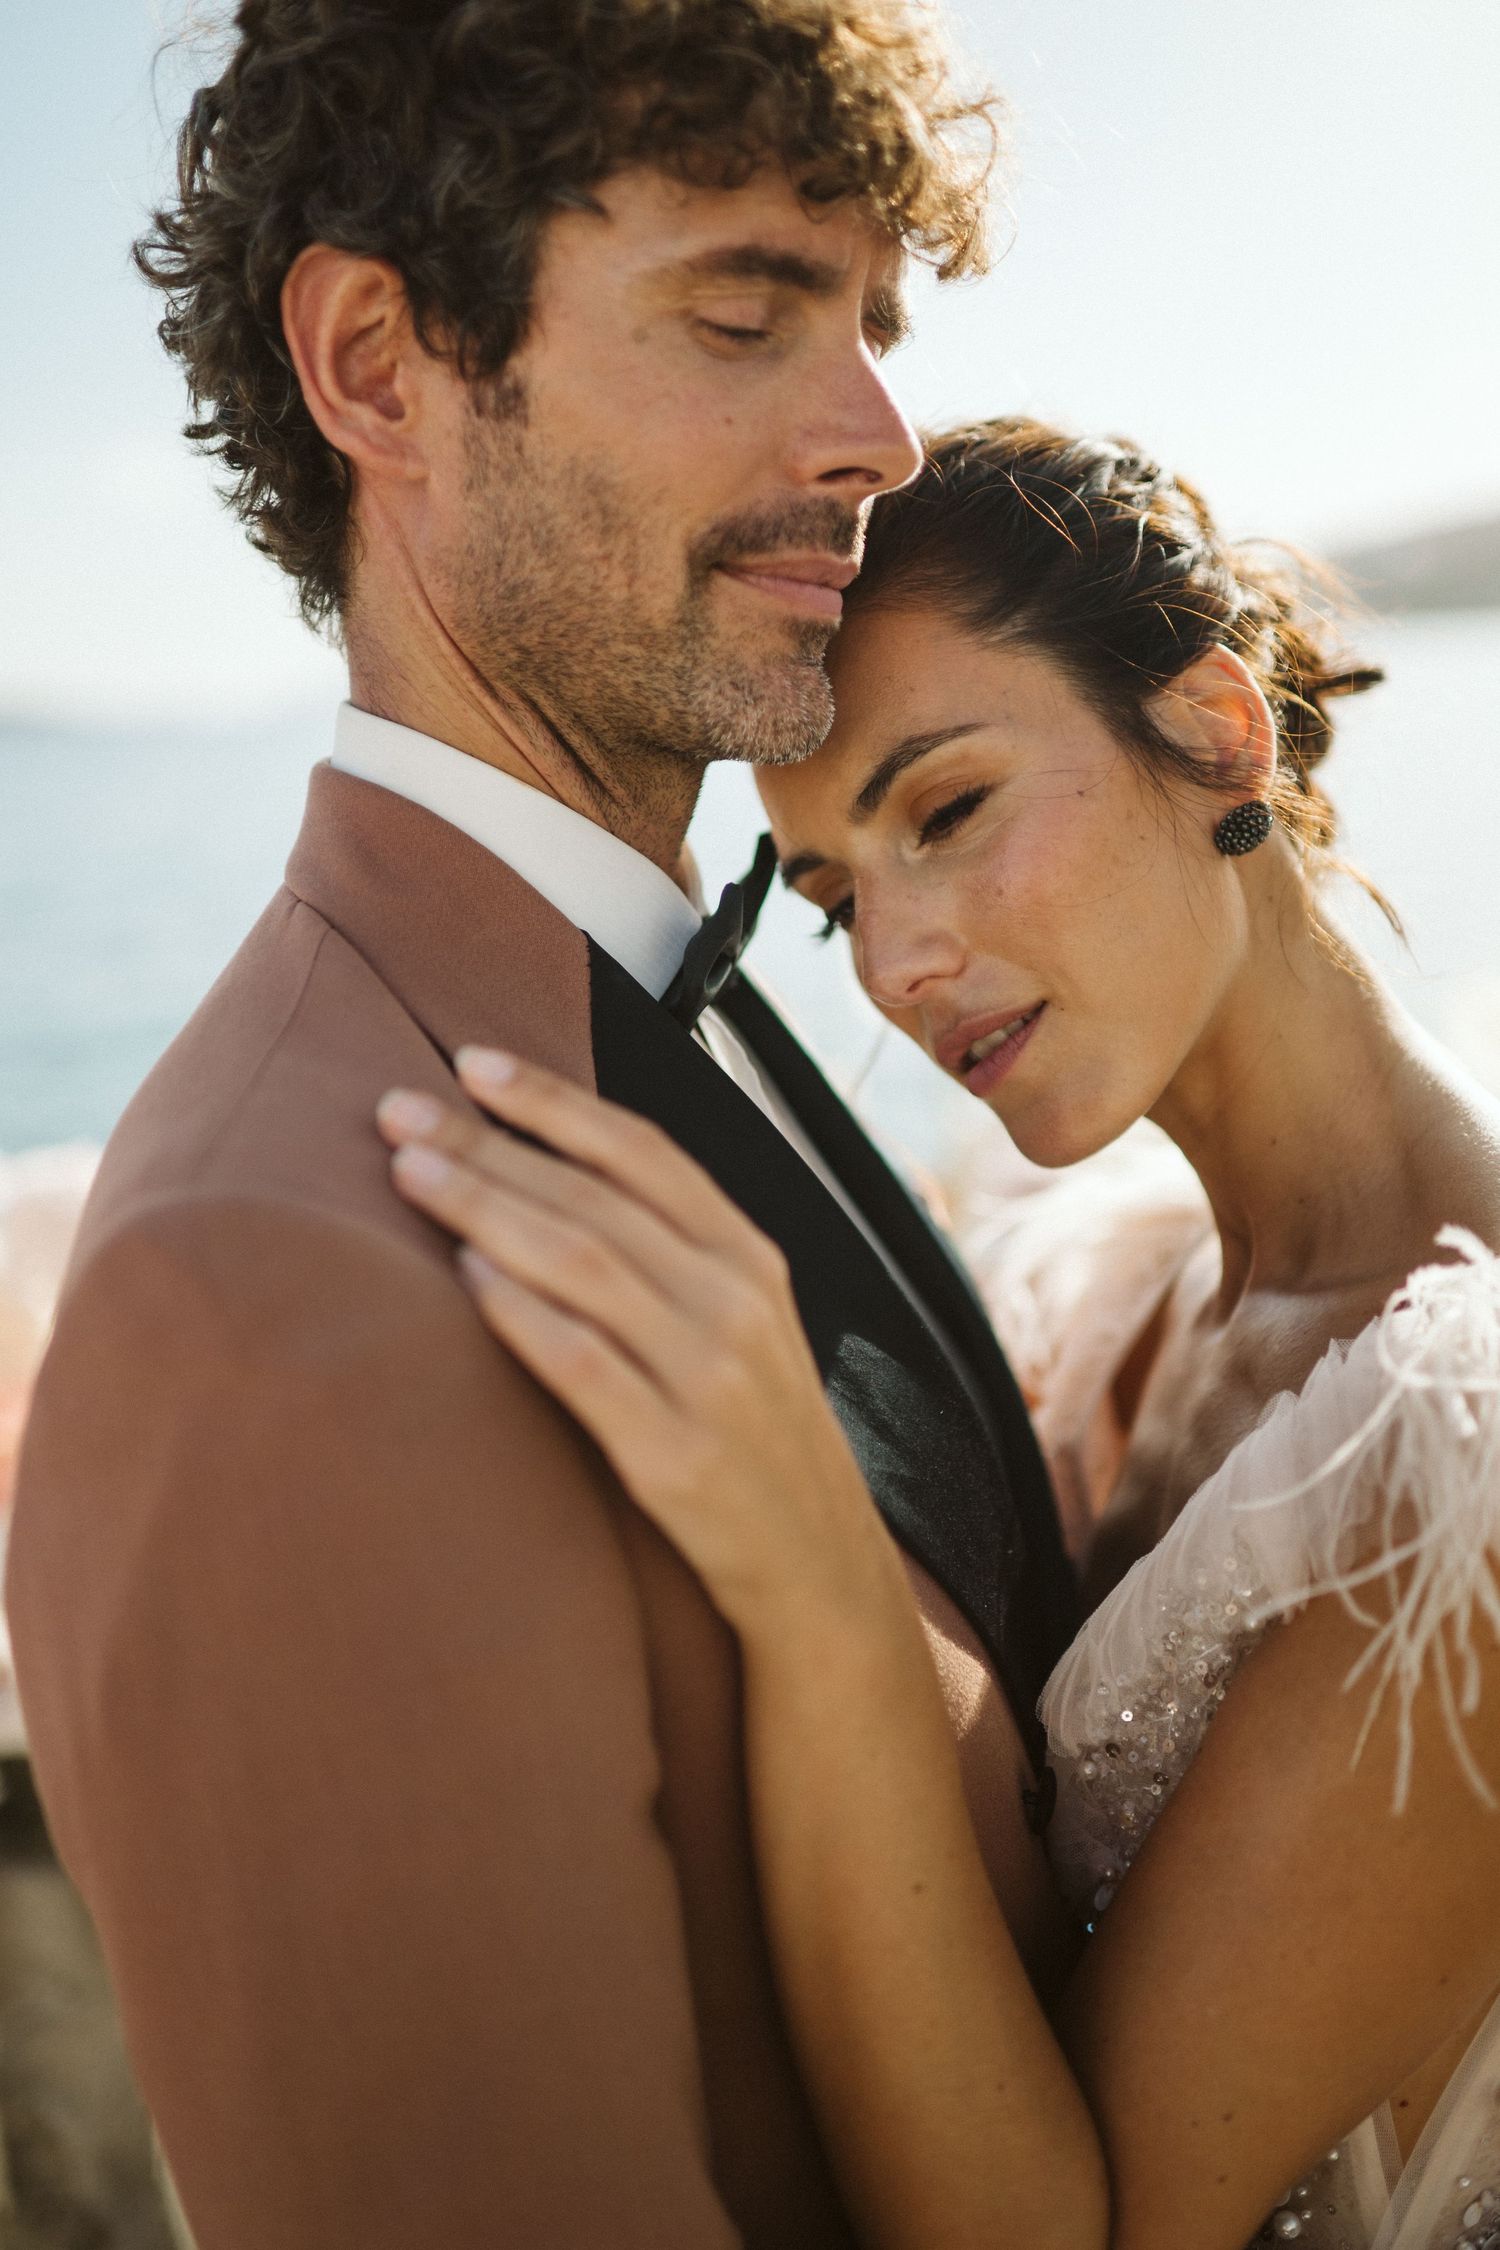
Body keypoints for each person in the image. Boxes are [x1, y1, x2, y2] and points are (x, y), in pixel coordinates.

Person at [4, 10, 1079, 2248]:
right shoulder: (258, 1299)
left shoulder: (686, 990)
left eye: (875, 324)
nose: (880, 434)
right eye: (745, 315)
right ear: (379, 366)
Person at [377, 420, 1500, 2250]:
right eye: (836, 904)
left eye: (950, 811)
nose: (896, 965)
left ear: (1220, 732)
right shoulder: (1127, 1286)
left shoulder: (1468, 1463)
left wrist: (824, 1592)